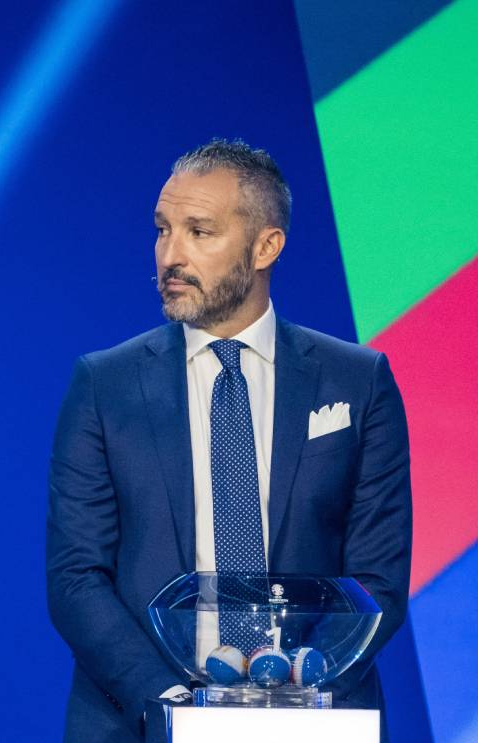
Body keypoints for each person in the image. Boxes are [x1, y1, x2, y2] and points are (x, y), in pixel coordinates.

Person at [45, 139, 411, 742]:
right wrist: (173, 707)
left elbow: (376, 577)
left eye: (199, 232)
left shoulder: (357, 380)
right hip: (140, 720)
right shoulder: (103, 384)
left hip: (315, 719)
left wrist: (301, 691)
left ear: (266, 245)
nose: (171, 255)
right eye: (163, 230)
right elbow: (75, 577)